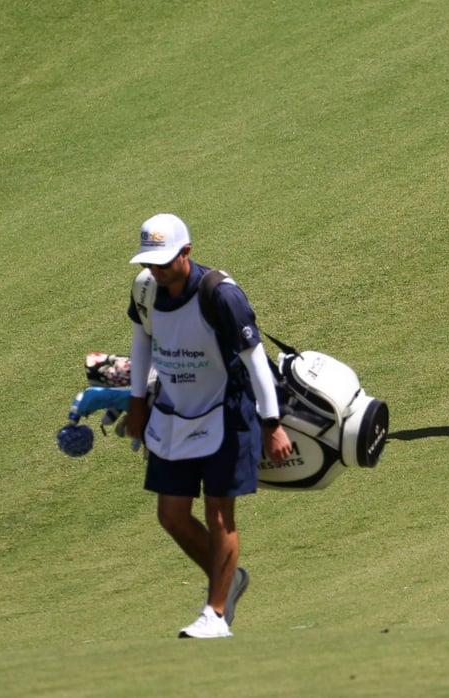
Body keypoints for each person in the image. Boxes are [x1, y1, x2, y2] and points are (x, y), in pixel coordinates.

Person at [124, 213, 293, 638]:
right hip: (173, 414)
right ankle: (229, 579)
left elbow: (255, 361)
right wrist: (137, 403)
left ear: (187, 252)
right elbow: (142, 338)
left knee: (219, 517)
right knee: (172, 515)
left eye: (164, 262)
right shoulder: (146, 288)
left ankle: (215, 614)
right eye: (150, 262)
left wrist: (271, 425)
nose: (156, 271)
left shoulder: (220, 294)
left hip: (227, 414)